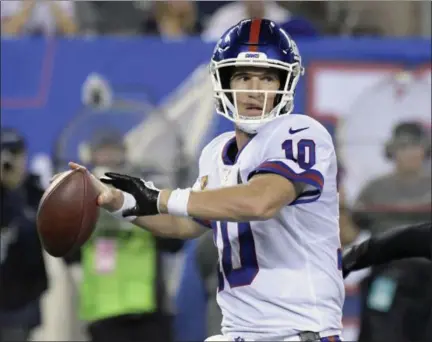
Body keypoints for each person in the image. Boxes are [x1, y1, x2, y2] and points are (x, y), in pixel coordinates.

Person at [58, 19, 344, 342]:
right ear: (225, 82)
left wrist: (162, 197)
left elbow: (260, 201)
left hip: (298, 333)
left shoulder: (300, 133)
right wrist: (120, 202)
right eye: (243, 77)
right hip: (239, 333)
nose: (253, 90)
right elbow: (186, 223)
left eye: (267, 78)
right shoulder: (216, 153)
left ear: (285, 85)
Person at [0, 129, 48, 341]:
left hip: (21, 299)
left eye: (14, 153)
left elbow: (37, 234)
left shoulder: (35, 192)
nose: (9, 161)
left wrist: (15, 190)